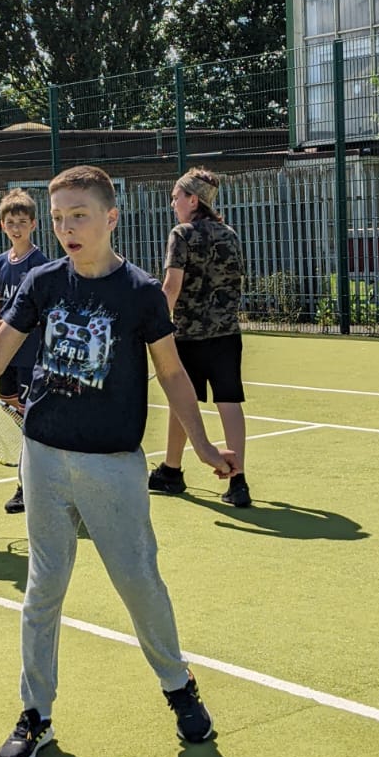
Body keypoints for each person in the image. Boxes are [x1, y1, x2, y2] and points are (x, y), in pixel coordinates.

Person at [0, 165, 235, 757]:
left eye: (78, 216)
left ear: (112, 217)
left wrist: (206, 446)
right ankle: (36, 715)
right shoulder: (40, 282)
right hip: (44, 459)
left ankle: (178, 687)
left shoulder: (139, 293)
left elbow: (171, 374)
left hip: (112, 467)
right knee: (43, 592)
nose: (66, 229)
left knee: (140, 585)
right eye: (58, 219)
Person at [148, 168, 251, 508]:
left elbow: (171, 286)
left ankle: (173, 471)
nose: (173, 202)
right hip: (226, 333)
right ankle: (238, 480)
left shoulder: (182, 233)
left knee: (183, 400)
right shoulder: (230, 234)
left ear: (193, 200)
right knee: (229, 400)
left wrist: (155, 325)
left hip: (189, 334)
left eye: (177, 196)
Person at [0, 188, 49, 514]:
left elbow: (40, 313)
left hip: (30, 355)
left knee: (30, 420)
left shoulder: (41, 265)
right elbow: (2, 305)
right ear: (2, 225)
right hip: (6, 356)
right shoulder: (1, 262)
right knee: (13, 411)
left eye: (22, 222)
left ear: (33, 225)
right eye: (10, 222)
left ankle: (27, 487)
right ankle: (32, 477)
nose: (16, 228)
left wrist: (10, 325)